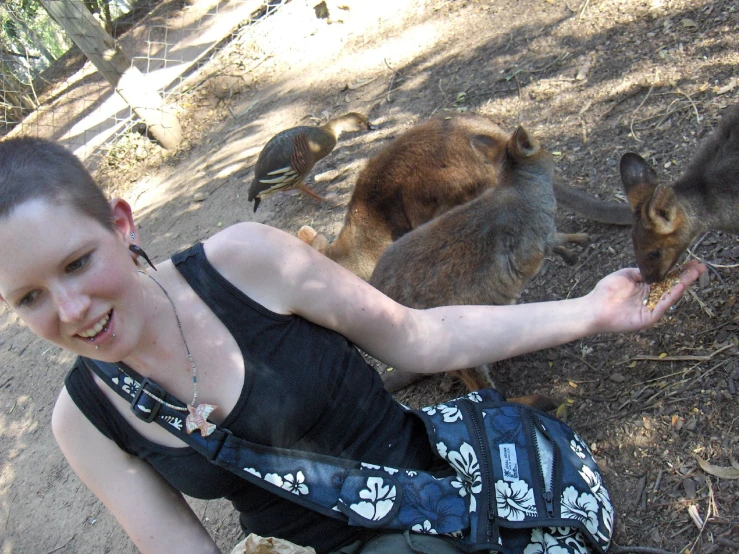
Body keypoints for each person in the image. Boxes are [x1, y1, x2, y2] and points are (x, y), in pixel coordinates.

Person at [0, 136, 704, 554]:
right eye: (28, 298)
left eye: (76, 263)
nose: (71, 311)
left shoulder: (245, 263)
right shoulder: (83, 426)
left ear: (121, 224)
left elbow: (419, 337)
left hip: (450, 497)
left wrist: (587, 312)